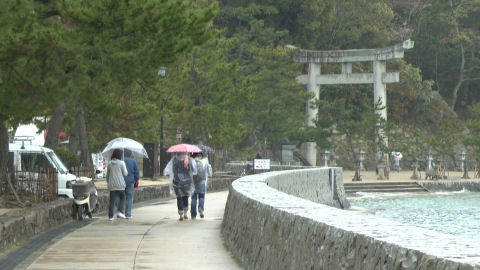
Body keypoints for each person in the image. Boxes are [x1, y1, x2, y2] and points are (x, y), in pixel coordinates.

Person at [166, 152, 197, 221]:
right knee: (186, 197)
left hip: (177, 182)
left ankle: (181, 215)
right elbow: (194, 171)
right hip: (187, 182)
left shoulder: (174, 160)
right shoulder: (189, 160)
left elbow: (172, 170)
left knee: (179, 198)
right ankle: (185, 213)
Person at [106, 149, 128, 221]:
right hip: (120, 185)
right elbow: (125, 173)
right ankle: (120, 211)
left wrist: (108, 182)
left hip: (112, 185)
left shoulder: (109, 164)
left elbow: (107, 175)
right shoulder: (122, 163)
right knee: (122, 198)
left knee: (112, 200)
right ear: (120, 155)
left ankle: (110, 216)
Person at [191, 152, 212, 219]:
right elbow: (210, 173)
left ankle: (193, 215)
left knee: (194, 198)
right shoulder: (204, 161)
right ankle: (201, 208)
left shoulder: (192, 162)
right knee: (201, 197)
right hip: (202, 182)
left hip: (193, 182)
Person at [123, 149, 139, 219]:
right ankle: (128, 214)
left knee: (122, 198)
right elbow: (137, 172)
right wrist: (136, 180)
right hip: (130, 181)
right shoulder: (133, 161)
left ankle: (121, 212)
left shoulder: (121, 160)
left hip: (121, 182)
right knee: (129, 198)